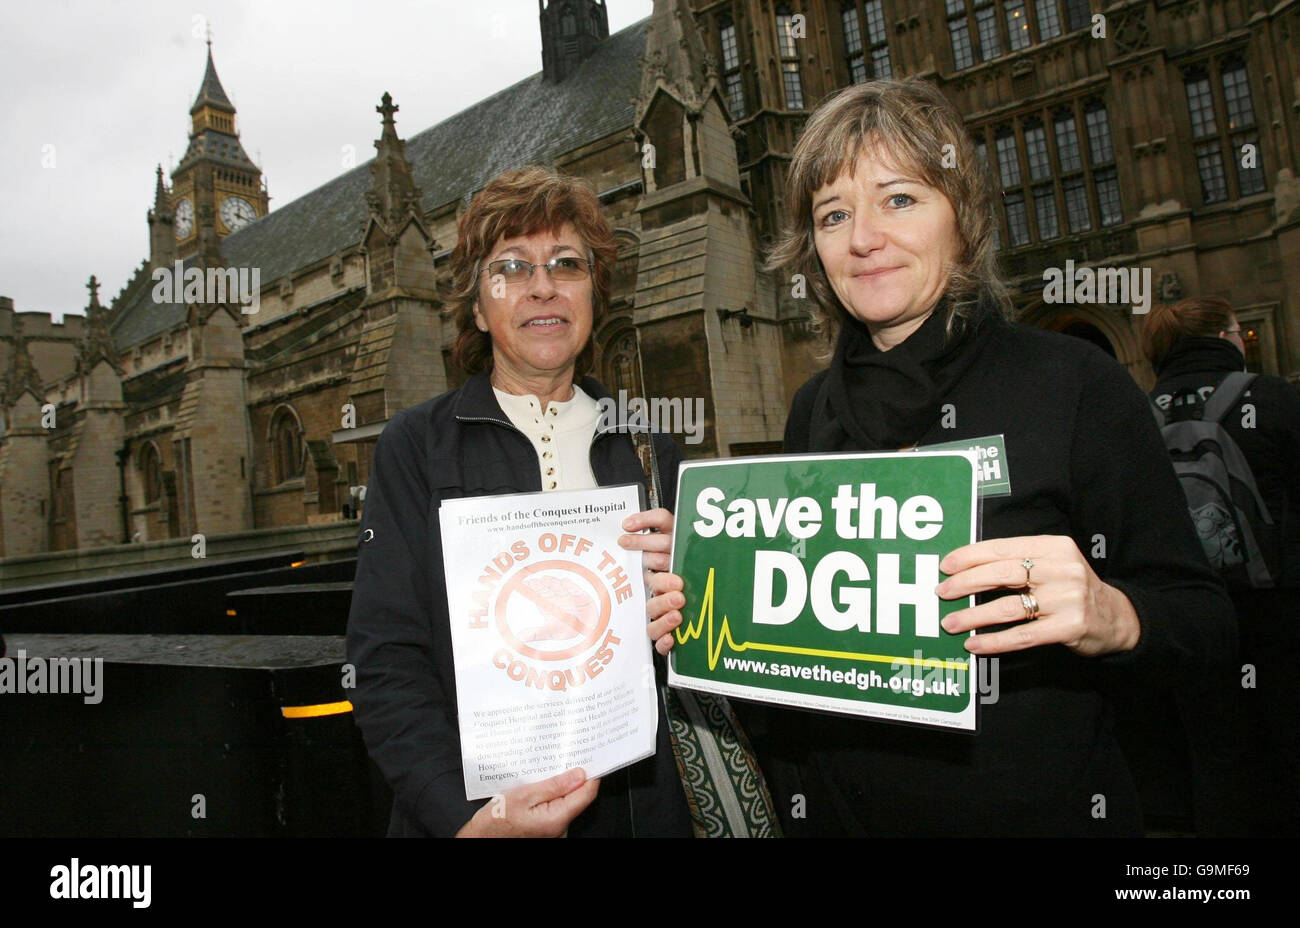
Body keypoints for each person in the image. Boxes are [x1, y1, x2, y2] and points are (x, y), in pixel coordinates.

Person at [646, 78, 1236, 836]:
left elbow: (1206, 628)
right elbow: (802, 661)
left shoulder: (1073, 383)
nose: (863, 238)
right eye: (834, 214)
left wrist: (1114, 617)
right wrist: (708, 604)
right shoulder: (811, 412)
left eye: (899, 199)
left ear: (963, 216)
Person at [347, 165, 692, 837]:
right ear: (478, 307)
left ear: (594, 294)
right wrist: (465, 819)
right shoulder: (415, 446)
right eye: (511, 267)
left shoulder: (649, 447)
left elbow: (697, 658)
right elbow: (385, 660)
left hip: (635, 813)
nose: (543, 286)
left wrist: (691, 600)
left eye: (567, 265)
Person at [1142, 297, 1300, 835]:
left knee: (1215, 755)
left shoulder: (1137, 414)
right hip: (1277, 610)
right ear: (1225, 336)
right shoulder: (1272, 396)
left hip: (1188, 616)